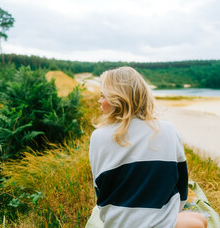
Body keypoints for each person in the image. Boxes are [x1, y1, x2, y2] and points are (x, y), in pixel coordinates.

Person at [89, 66, 207, 228]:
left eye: (103, 96)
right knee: (200, 220)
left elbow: (101, 192)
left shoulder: (98, 137)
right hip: (160, 223)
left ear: (118, 98)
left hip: (117, 224)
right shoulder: (168, 130)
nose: (99, 101)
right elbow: (181, 187)